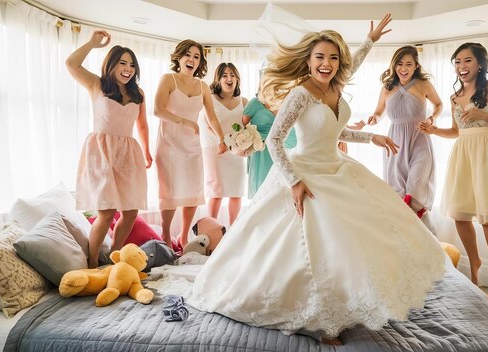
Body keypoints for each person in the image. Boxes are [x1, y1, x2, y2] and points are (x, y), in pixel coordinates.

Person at [187, 14, 446, 345]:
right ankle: (320, 319)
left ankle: (349, 302)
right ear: (308, 61)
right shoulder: (301, 94)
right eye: (320, 57)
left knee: (357, 240)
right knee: (317, 243)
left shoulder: (336, 86)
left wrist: (373, 136)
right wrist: (294, 181)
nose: (327, 64)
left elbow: (335, 129)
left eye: (333, 57)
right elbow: (275, 140)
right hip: (305, 173)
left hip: (336, 167)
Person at [418, 42, 488, 305]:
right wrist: (435, 131)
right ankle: (474, 259)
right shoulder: (455, 97)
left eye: (467, 61)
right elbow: (457, 131)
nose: (461, 67)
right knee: (460, 216)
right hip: (463, 153)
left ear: (479, 64)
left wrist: (482, 115)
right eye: (457, 62)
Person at [66, 30, 152, 268]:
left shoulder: (138, 93)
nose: (128, 68)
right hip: (101, 152)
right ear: (111, 64)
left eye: (132, 64)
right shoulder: (97, 84)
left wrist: (146, 150)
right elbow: (71, 63)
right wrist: (92, 43)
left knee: (131, 211)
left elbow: (142, 124)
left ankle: (114, 258)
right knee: (106, 212)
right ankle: (92, 263)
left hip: (128, 153)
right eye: (123, 63)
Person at [154, 39, 228, 249]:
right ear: (179, 57)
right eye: (188, 55)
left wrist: (222, 138)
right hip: (168, 144)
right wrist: (184, 121)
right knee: (170, 192)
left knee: (192, 193)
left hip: (192, 147)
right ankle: (166, 236)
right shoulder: (168, 79)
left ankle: (183, 236)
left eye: (197, 57)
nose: (192, 60)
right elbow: (158, 109)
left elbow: (212, 117)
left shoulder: (202, 86)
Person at [367, 45, 442, 235]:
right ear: (394, 65)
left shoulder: (423, 84)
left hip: (420, 137)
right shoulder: (387, 88)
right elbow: (378, 112)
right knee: (398, 190)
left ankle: (430, 241)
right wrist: (374, 118)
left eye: (409, 64)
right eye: (399, 64)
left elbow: (439, 104)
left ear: (416, 66)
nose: (403, 68)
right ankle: (407, 237)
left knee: (416, 186)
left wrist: (432, 118)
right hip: (395, 142)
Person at [199, 62, 248, 224]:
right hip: (215, 149)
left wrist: (246, 143)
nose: (229, 79)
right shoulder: (210, 99)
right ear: (218, 80)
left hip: (236, 151)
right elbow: (207, 123)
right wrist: (223, 141)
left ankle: (233, 228)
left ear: (237, 79)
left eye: (232, 75)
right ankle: (211, 227)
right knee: (216, 191)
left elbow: (248, 127)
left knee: (236, 191)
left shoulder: (244, 102)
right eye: (224, 75)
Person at [242, 86, 297, 198]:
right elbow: (243, 127)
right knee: (265, 191)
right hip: (263, 150)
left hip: (287, 147)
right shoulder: (255, 103)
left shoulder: (288, 99)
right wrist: (247, 142)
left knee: (285, 189)